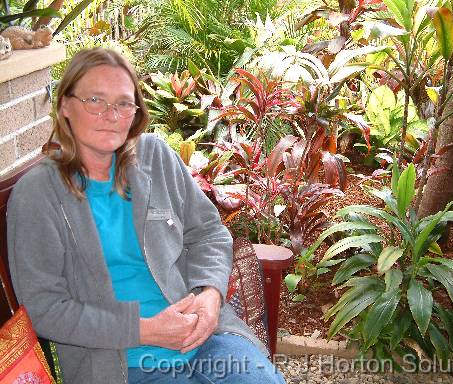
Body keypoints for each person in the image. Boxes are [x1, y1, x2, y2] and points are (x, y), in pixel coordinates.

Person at [7, 47, 286, 384]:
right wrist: (146, 331)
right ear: (65, 105)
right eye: (95, 100)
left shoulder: (155, 157)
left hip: (207, 337)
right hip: (120, 361)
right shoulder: (39, 194)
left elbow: (208, 232)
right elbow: (44, 307)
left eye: (124, 103)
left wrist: (210, 295)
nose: (111, 114)